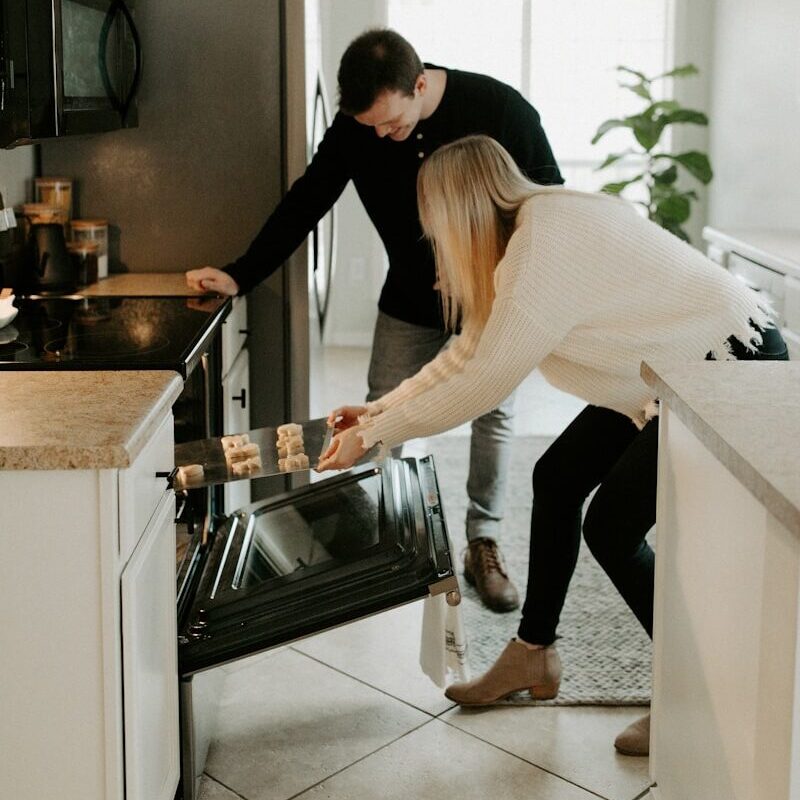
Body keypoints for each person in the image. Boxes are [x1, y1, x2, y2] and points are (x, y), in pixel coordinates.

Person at [317, 134, 789, 755]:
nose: (433, 242)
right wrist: (378, 409)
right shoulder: (530, 230)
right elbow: (469, 354)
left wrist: (374, 435)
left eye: (434, 226)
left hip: (722, 362)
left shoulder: (541, 250)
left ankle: (691, 698)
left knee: (611, 527)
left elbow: (483, 382)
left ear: (459, 212)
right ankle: (533, 654)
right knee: (558, 476)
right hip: (665, 370)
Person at [186, 28, 563, 613]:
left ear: (419, 84)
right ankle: (389, 539)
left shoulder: (499, 108)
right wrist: (241, 273)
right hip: (408, 300)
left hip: (492, 296)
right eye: (372, 129)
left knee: (495, 412)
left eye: (392, 123)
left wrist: (496, 268)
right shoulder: (361, 126)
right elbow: (307, 200)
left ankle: (481, 541)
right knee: (381, 410)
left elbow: (549, 202)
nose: (384, 137)